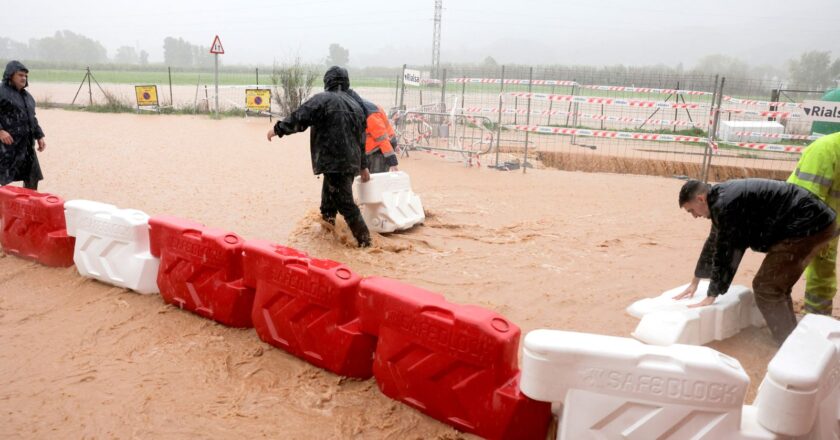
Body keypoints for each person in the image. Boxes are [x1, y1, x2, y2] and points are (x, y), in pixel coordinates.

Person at [674, 178, 836, 345]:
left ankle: (788, 345)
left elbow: (727, 253)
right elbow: (714, 242)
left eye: (691, 211)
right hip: (814, 221)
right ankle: (790, 335)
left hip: (809, 225)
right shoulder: (721, 200)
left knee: (766, 286)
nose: (694, 216)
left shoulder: (726, 206)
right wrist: (696, 280)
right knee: (775, 285)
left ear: (700, 199)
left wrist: (712, 294)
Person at [266, 66, 372, 247]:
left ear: (327, 82)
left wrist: (278, 129)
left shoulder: (322, 100)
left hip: (333, 162)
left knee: (346, 204)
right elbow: (361, 138)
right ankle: (329, 241)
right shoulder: (357, 105)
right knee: (328, 204)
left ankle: (367, 244)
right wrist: (363, 165)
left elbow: (299, 118)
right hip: (349, 163)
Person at [787, 132, 840, 315]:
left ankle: (818, 319)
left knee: (823, 273)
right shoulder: (825, 150)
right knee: (784, 269)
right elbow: (806, 201)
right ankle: (780, 321)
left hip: (831, 224)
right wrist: (817, 238)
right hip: (802, 222)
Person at [0, 60, 46, 190]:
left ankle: (28, 207)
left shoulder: (28, 97)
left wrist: (39, 136)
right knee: (2, 178)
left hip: (26, 146)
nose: (24, 78)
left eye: (25, 76)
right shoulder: (1, 92)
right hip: (6, 147)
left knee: (32, 178)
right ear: (10, 75)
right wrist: (0, 131)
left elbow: (32, 118)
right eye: (20, 75)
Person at [358, 99, 399, 173]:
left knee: (375, 180)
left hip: (377, 152)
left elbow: (382, 139)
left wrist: (392, 162)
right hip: (379, 148)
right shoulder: (372, 108)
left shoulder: (370, 115)